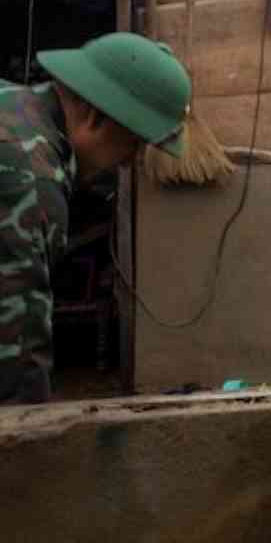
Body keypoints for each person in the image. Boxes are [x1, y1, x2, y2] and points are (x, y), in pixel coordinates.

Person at [1, 32, 191, 403]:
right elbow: (12, 358)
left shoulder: (11, 101)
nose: (130, 161)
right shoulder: (30, 179)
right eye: (133, 142)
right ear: (95, 115)